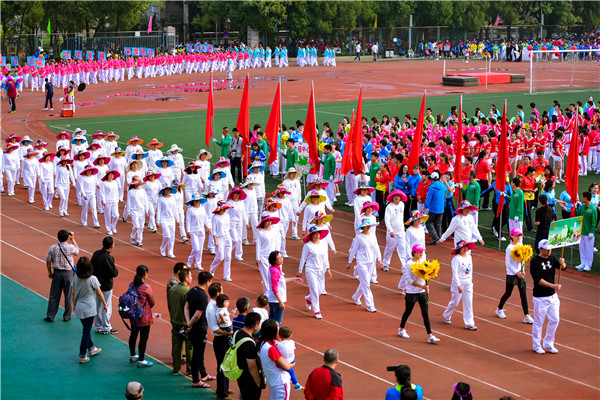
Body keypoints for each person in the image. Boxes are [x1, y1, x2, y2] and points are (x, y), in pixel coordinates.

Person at [530, 239, 567, 354]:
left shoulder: (551, 258)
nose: (549, 251)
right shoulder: (535, 261)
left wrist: (563, 263)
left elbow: (562, 267)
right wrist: (553, 286)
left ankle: (548, 343)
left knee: (555, 319)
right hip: (540, 298)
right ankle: (536, 345)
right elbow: (538, 280)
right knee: (538, 322)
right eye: (547, 249)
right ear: (540, 249)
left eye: (550, 248)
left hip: (552, 297)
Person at [398, 244, 440, 344]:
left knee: (425, 314)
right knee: (408, 312)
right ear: (414, 253)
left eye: (422, 252)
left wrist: (427, 285)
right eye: (419, 252)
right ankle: (401, 329)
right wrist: (422, 286)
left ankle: (430, 335)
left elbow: (426, 275)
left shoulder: (422, 262)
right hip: (412, 292)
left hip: (422, 293)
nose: (421, 253)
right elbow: (408, 280)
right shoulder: (409, 264)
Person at [72, 256, 107, 364]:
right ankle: (82, 355)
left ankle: (91, 348)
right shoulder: (93, 279)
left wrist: (74, 305)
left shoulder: (75, 278)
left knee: (86, 329)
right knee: (86, 332)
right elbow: (100, 293)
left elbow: (73, 294)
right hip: (89, 308)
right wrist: (105, 304)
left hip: (79, 307)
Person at [495, 228, 534, 324]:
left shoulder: (521, 246)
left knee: (523, 295)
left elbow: (523, 259)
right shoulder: (509, 248)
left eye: (520, 235)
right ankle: (499, 309)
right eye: (517, 235)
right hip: (512, 274)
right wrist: (517, 273)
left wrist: (523, 270)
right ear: (511, 236)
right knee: (508, 293)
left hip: (520, 274)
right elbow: (508, 263)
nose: (519, 237)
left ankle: (526, 315)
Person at [184, 270, 215, 388]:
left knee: (199, 352)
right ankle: (196, 380)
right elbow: (198, 314)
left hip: (193, 327)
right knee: (198, 354)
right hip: (199, 328)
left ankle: (204, 374)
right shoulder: (203, 296)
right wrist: (190, 325)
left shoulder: (192, 290)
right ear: (208, 282)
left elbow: (186, 307)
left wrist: (188, 323)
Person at [347, 218, 382, 313]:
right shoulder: (359, 237)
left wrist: (380, 259)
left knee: (365, 282)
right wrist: (350, 262)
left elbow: (376, 247)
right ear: (364, 227)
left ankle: (356, 296)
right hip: (362, 262)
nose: (369, 226)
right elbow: (353, 250)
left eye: (369, 225)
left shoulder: (373, 236)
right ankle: (370, 305)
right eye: (367, 225)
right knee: (366, 284)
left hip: (371, 262)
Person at [206, 282, 233, 398]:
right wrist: (229, 332)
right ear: (217, 293)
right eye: (222, 291)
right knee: (222, 365)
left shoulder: (217, 306)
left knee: (226, 364)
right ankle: (222, 391)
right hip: (221, 340)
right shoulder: (211, 308)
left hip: (224, 339)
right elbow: (214, 328)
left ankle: (224, 388)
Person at [297, 226, 332, 320]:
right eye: (315, 234)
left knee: (320, 290)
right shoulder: (307, 246)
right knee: (314, 290)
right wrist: (300, 271)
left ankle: (308, 299)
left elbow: (325, 258)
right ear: (311, 235)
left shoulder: (323, 245)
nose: (317, 235)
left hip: (321, 270)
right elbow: (303, 258)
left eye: (318, 233)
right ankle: (317, 311)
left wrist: (328, 268)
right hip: (310, 270)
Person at [45, 230, 79, 322]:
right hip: (68, 273)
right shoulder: (71, 247)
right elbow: (77, 251)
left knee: (54, 295)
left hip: (57, 273)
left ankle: (50, 315)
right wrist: (73, 239)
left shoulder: (52, 248)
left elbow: (48, 261)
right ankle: (67, 316)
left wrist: (50, 272)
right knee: (68, 295)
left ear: (57, 237)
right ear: (68, 237)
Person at [442, 240, 477, 330]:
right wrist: (458, 285)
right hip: (459, 283)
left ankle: (469, 323)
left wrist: (470, 281)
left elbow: (471, 270)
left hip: (468, 283)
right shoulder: (456, 259)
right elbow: (455, 273)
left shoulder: (469, 257)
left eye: (467, 247)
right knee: (455, 302)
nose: (465, 249)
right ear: (459, 248)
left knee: (468, 303)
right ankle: (446, 315)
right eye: (463, 247)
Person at [258, 319, 295, 400]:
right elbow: (287, 366)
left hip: (273, 382)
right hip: (281, 383)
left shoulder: (262, 343)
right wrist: (293, 363)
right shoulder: (272, 349)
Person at [128, 265, 155, 367]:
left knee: (133, 335)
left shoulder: (132, 284)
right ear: (145, 274)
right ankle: (142, 360)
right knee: (143, 338)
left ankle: (133, 355)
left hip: (133, 315)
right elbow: (152, 301)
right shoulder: (146, 287)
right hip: (144, 317)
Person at [168, 268, 193, 376]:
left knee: (176, 346)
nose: (192, 278)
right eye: (191, 276)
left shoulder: (173, 289)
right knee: (189, 347)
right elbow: (189, 308)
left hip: (175, 321)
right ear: (186, 278)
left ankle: (176, 368)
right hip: (185, 323)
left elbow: (170, 304)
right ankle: (190, 370)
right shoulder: (187, 292)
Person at [91, 236, 118, 334]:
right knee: (106, 306)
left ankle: (98, 326)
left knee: (97, 305)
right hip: (106, 285)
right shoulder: (109, 257)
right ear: (111, 246)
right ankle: (106, 327)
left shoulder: (96, 253)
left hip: (96, 284)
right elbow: (114, 273)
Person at [234, 312, 264, 399]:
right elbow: (252, 366)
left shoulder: (237, 333)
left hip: (240, 373)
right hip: (249, 378)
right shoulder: (249, 343)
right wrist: (258, 382)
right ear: (255, 326)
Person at [268, 250, 303, 324]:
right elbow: (274, 288)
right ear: (274, 260)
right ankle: (274, 335)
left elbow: (282, 280)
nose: (281, 259)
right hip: (276, 300)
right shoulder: (275, 271)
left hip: (273, 299)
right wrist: (280, 302)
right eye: (279, 258)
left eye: (282, 257)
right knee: (277, 321)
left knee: (271, 320)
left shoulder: (274, 268)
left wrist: (294, 278)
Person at [383, 190, 408, 272]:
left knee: (403, 249)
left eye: (398, 196)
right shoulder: (389, 207)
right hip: (392, 233)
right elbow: (387, 220)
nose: (397, 197)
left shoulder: (402, 204)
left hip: (401, 232)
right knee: (389, 249)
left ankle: (404, 267)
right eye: (395, 196)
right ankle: (386, 263)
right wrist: (390, 231)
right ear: (392, 198)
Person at [423, 171, 448, 244]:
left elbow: (429, 197)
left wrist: (425, 206)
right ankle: (439, 238)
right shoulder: (442, 186)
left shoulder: (431, 187)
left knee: (428, 222)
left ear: (431, 178)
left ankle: (435, 237)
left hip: (433, 208)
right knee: (438, 224)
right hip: (441, 208)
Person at [277, 326, 303, 391]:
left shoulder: (278, 345)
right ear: (291, 335)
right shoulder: (292, 342)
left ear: (279, 335)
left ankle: (296, 383)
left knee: (291, 372)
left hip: (285, 362)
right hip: (292, 359)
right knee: (291, 371)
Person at [576, 191, 597, 272]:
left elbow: (594, 222)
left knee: (589, 250)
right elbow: (579, 215)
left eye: (582, 197)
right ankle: (583, 263)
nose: (582, 198)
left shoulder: (593, 209)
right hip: (581, 231)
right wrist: (575, 207)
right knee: (582, 249)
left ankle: (588, 264)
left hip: (589, 233)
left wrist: (592, 231)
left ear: (585, 198)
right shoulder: (583, 206)